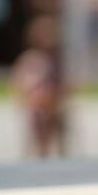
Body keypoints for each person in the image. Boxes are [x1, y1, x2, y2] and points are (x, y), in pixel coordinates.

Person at [12, 15, 67, 158]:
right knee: (38, 143)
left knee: (60, 140)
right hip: (37, 108)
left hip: (54, 106)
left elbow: (64, 83)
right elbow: (20, 82)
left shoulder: (57, 60)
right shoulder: (31, 58)